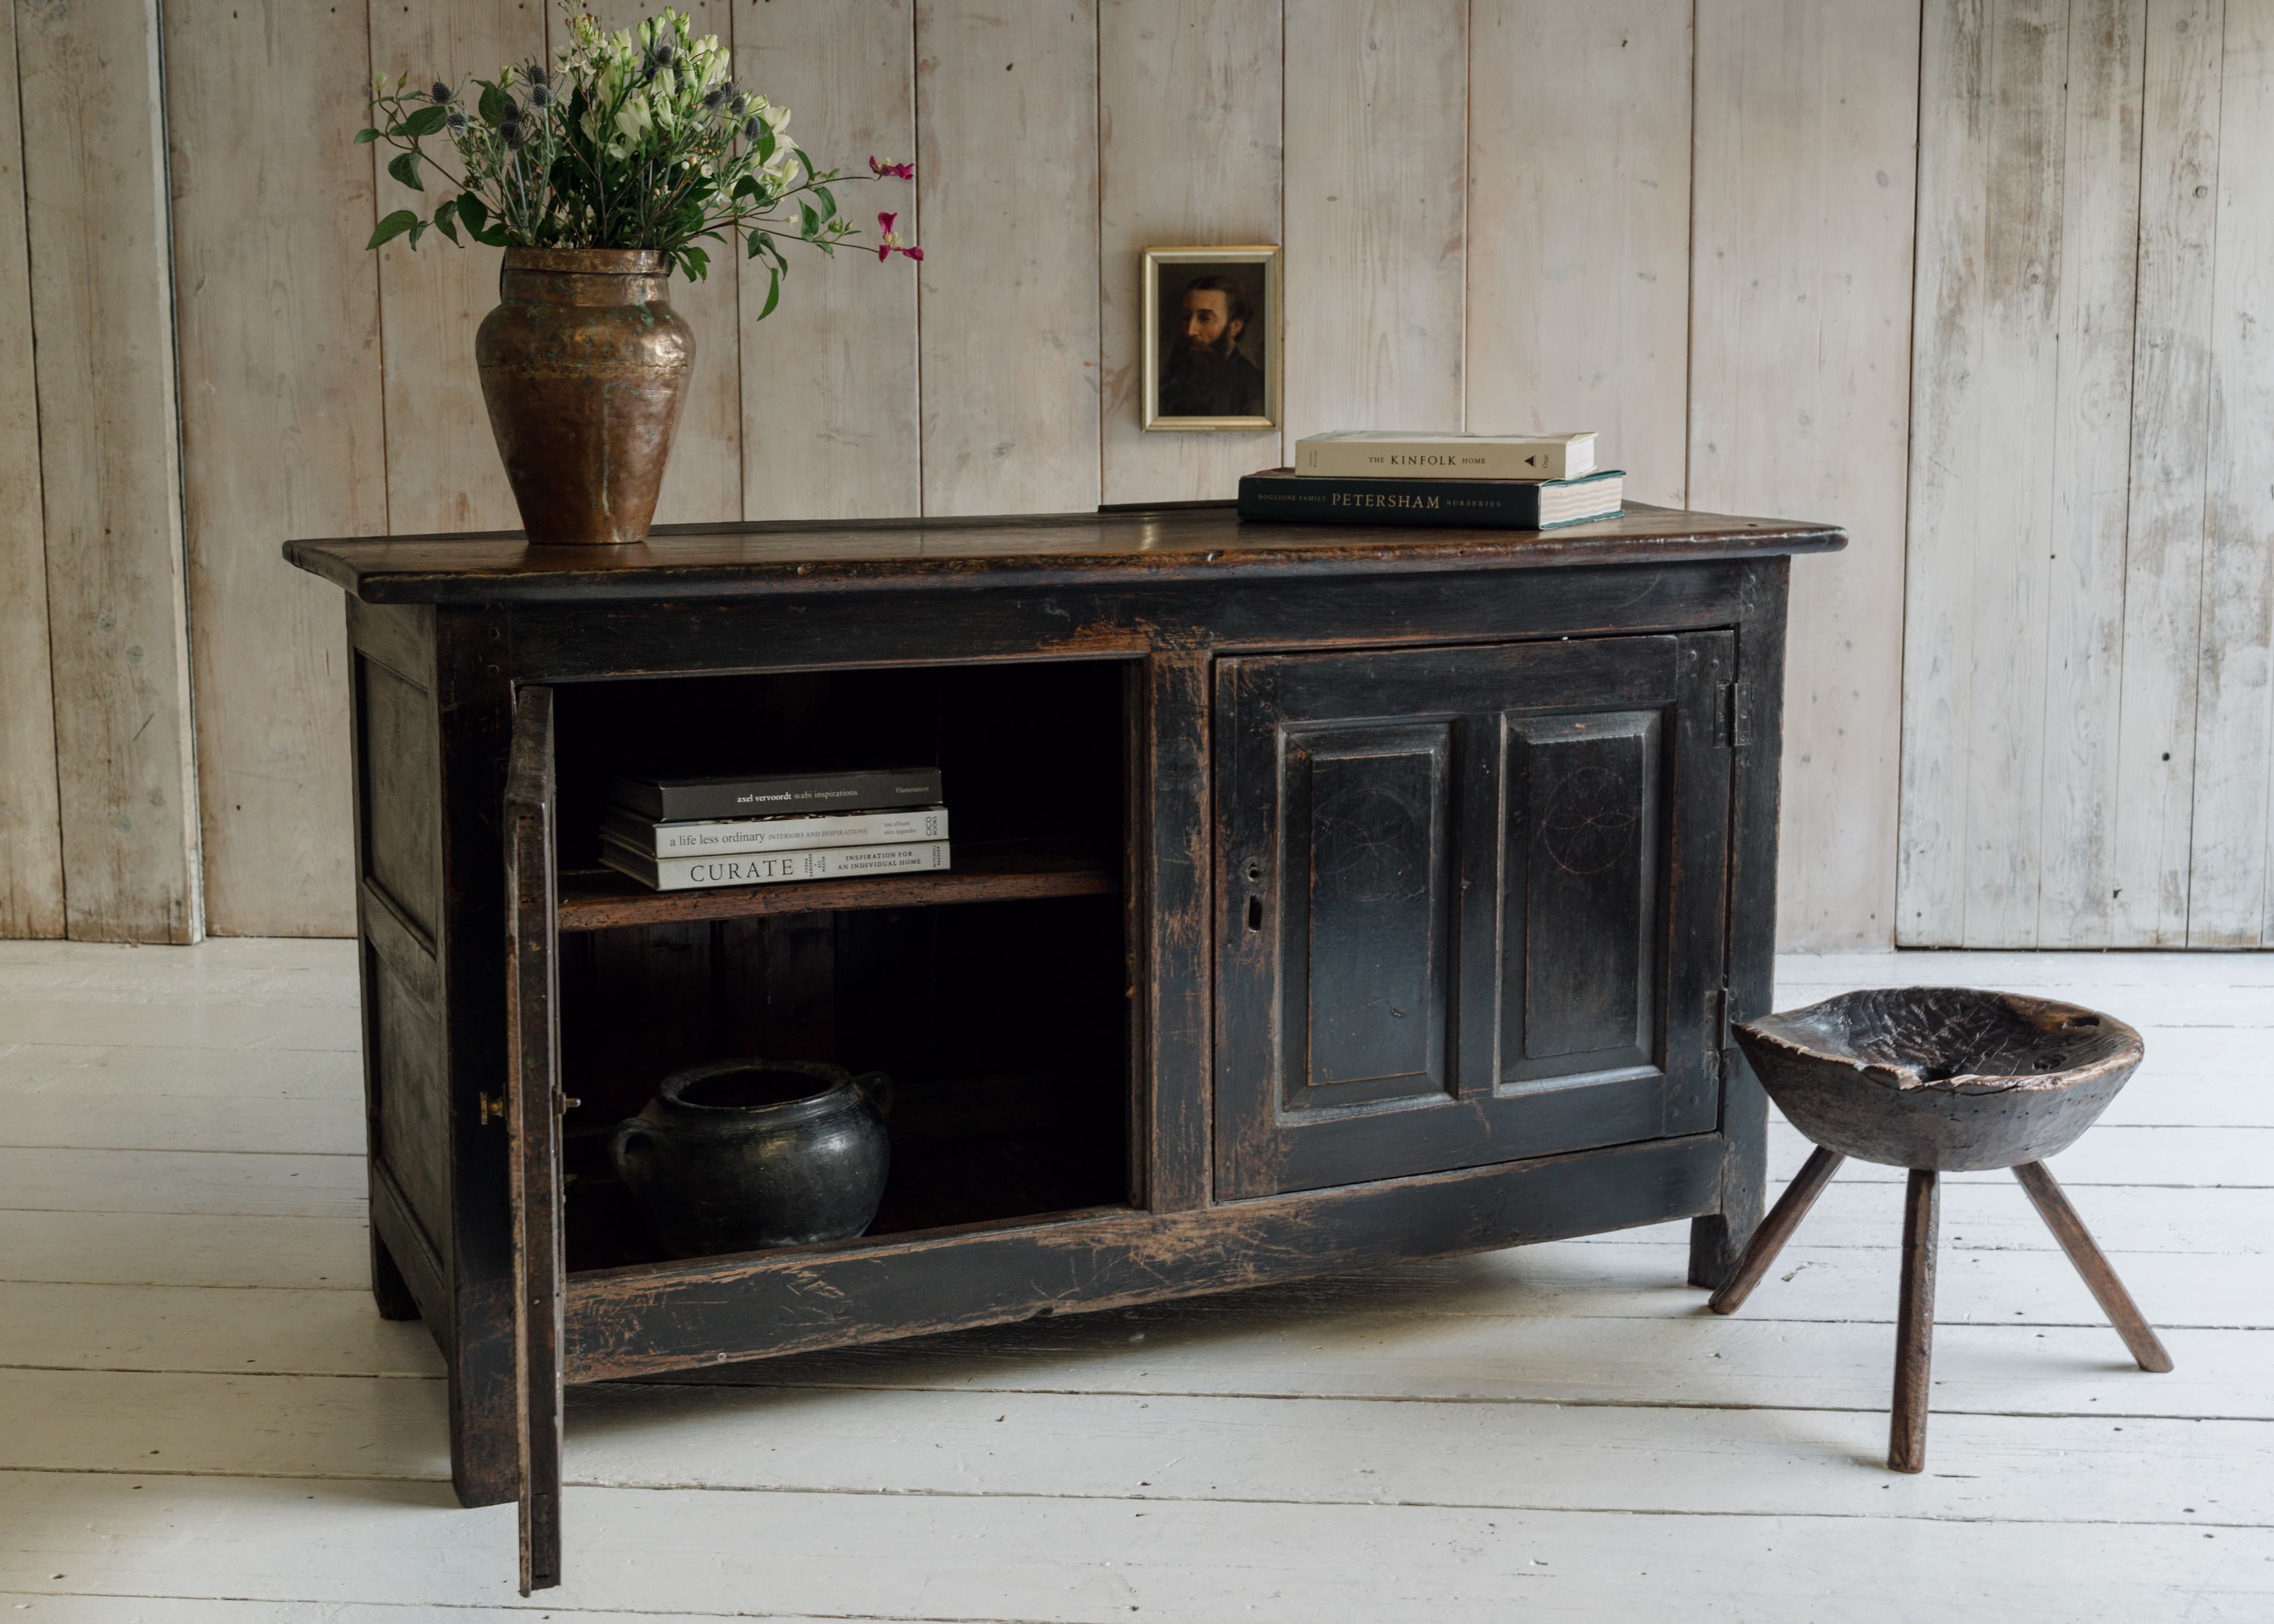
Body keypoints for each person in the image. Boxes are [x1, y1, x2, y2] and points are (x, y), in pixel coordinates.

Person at [1158, 274, 1266, 417]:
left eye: (1205, 318)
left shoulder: (1253, 384)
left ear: (1235, 327)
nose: (1191, 331)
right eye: (1186, 317)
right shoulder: (1174, 375)